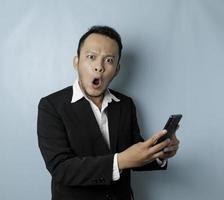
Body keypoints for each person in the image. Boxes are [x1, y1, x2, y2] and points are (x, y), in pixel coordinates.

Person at [37, 25, 180, 200]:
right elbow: (61, 169)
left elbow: (134, 153)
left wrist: (159, 153)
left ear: (117, 70)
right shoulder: (51, 105)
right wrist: (120, 161)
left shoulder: (126, 104)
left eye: (109, 60)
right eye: (91, 57)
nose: (99, 67)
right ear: (76, 62)